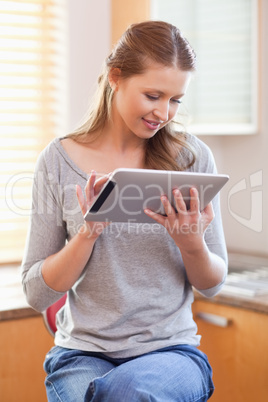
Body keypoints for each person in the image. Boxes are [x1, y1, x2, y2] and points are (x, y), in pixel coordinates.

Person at [21, 20, 228, 402]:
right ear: (116, 77)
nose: (164, 112)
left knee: (124, 394)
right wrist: (88, 233)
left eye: (175, 99)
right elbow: (36, 293)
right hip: (82, 354)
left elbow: (213, 284)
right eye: (153, 95)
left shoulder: (192, 158)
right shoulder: (57, 161)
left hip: (170, 353)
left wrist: (192, 244)